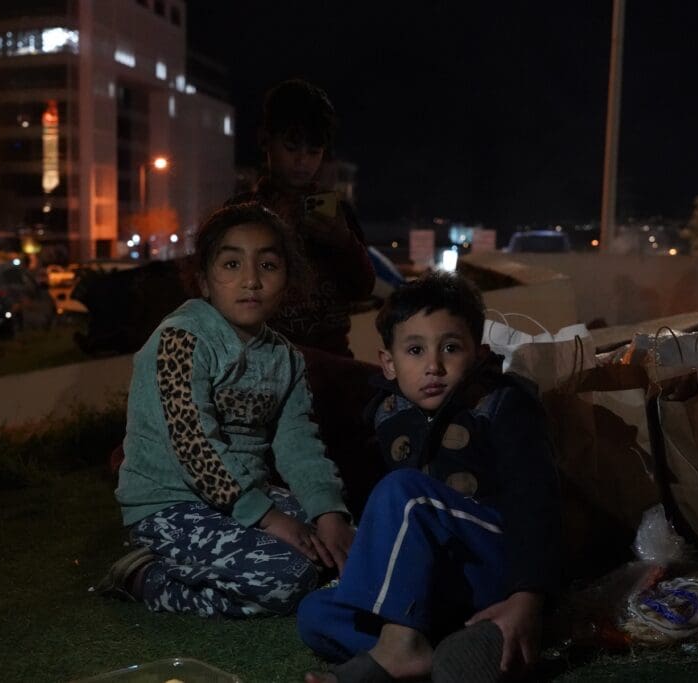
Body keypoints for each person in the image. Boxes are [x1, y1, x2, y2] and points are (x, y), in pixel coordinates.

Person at [296, 272, 562, 683]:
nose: (434, 366)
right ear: (389, 363)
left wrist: (528, 596)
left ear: (478, 353)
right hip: (446, 582)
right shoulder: (389, 416)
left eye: (451, 348)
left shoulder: (503, 405)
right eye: (415, 350)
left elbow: (537, 504)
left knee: (405, 492)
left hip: (497, 561)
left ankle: (402, 648)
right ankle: (449, 647)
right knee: (315, 614)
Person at [95, 202, 354, 618]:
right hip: (171, 504)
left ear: (287, 279)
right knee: (284, 577)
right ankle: (145, 575)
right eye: (232, 264)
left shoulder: (285, 358)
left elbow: (300, 445)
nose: (250, 280)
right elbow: (193, 446)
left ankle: (302, 567)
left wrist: (327, 513)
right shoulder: (181, 340)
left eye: (268, 266)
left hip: (250, 498)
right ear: (203, 280)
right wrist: (271, 520)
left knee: (347, 547)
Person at [228, 78, 375, 358]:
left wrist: (343, 242)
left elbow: (362, 288)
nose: (302, 161)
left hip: (331, 361)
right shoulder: (241, 214)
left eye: (313, 152)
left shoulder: (337, 213)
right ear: (264, 140)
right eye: (292, 148)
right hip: (265, 363)